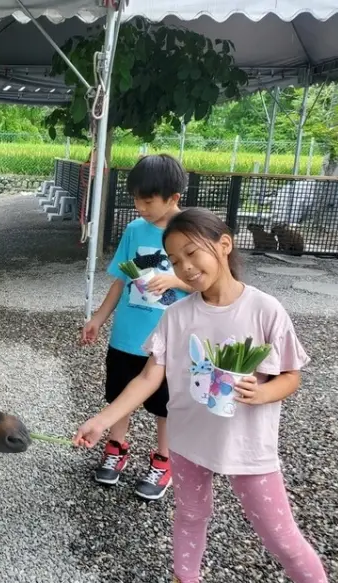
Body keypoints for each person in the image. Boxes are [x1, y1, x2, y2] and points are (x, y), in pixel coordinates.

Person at [73, 207, 335, 583]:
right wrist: (102, 419)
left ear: (224, 245)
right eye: (175, 260)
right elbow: (148, 377)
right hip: (187, 442)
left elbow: (290, 375)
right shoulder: (176, 315)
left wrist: (263, 393)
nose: (186, 267)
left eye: (193, 253)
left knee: (280, 537)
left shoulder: (264, 309)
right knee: (190, 516)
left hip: (247, 447)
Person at [80, 154, 193, 501]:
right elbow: (121, 280)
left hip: (169, 341)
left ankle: (163, 460)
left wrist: (174, 278)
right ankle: (115, 448)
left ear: (174, 198)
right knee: (118, 396)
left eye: (148, 201)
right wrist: (98, 318)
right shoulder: (133, 230)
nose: (140, 207)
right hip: (127, 336)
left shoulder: (191, 233)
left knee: (164, 406)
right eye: (136, 199)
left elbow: (207, 282)